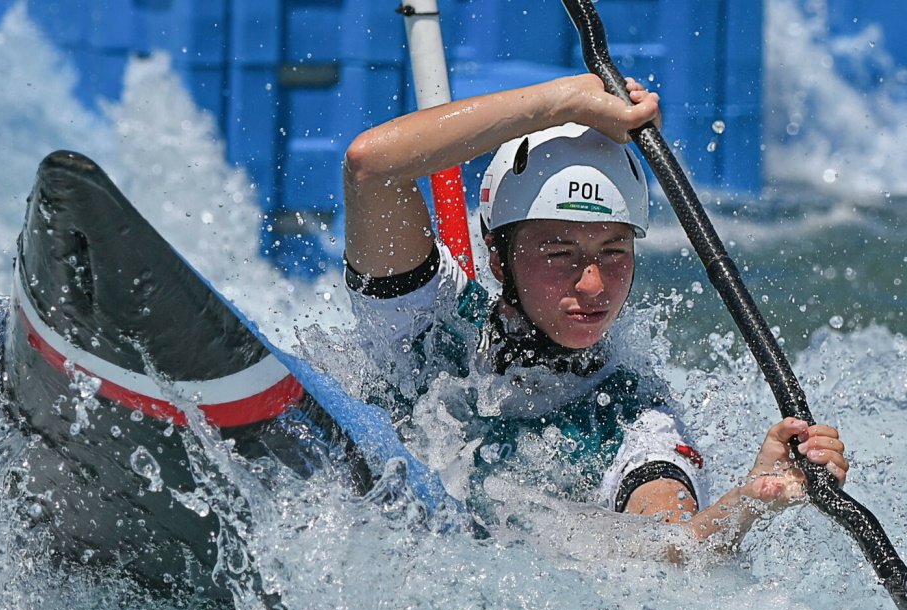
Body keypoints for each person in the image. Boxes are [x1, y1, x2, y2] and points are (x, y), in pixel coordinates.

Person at [342, 73, 848, 544]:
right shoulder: (431, 320)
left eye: (613, 252)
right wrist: (562, 101)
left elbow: (674, 549)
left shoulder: (634, 413)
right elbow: (371, 167)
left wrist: (753, 499)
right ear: (498, 257)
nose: (593, 284)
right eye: (559, 254)